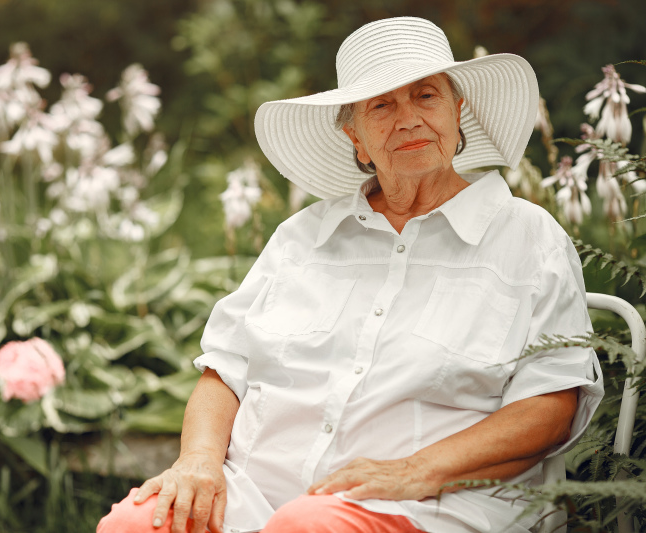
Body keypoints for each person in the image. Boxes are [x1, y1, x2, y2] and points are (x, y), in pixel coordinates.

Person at [97, 16, 603, 533]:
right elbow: (224, 371)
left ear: (458, 113)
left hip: (431, 503)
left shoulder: (528, 238)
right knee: (133, 525)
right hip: (255, 495)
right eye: (381, 105)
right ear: (355, 137)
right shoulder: (302, 237)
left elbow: (550, 405)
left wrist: (413, 472)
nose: (407, 120)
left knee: (309, 526)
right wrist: (199, 462)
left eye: (425, 96)